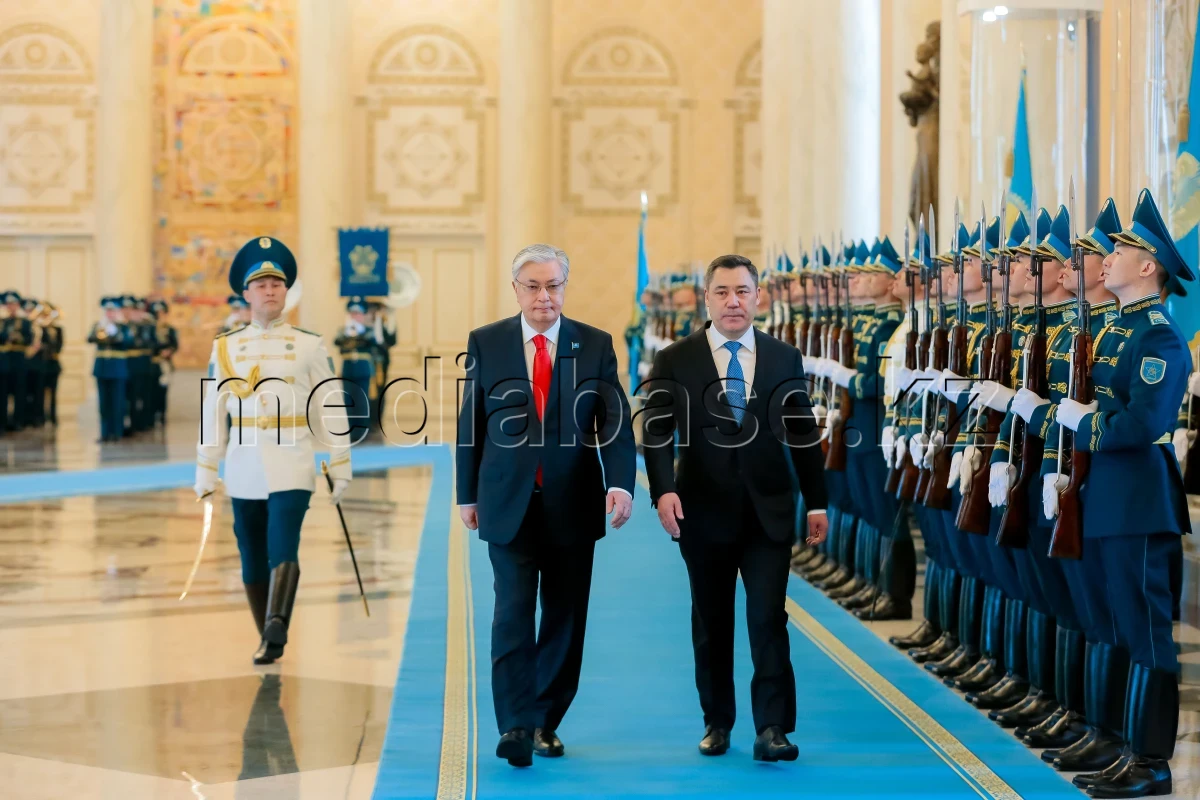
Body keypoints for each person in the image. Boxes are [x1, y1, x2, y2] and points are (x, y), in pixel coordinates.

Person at [1030, 189, 1189, 798]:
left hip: (1137, 497)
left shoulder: (1159, 337)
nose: (1109, 258)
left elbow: (1142, 424)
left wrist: (1080, 422)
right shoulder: (1116, 329)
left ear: (1148, 267)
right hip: (1102, 493)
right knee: (1111, 620)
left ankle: (1151, 761)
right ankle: (1115, 738)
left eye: (1122, 251)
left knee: (1143, 628)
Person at [642, 253, 829, 762]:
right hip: (701, 513)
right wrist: (663, 491)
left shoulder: (783, 358)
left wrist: (817, 501)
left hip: (768, 512)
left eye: (742, 291)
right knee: (712, 621)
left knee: (768, 618)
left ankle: (773, 727)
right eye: (722, 292)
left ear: (758, 298)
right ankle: (717, 721)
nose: (733, 301)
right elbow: (656, 433)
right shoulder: (676, 359)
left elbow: (803, 434)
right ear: (707, 299)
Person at [455, 243, 636, 768]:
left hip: (572, 503)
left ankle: (544, 720)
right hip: (507, 501)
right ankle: (514, 724)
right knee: (511, 613)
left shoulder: (594, 345)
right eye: (532, 286)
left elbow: (614, 422)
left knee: (564, 616)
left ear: (564, 288)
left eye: (553, 286)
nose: (543, 296)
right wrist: (466, 492)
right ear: (516, 290)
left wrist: (620, 484)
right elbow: (472, 421)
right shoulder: (487, 342)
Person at [195, 236, 353, 666]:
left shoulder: (308, 344)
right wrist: (206, 468)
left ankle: (277, 626)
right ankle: (265, 630)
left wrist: (340, 463)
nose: (270, 291)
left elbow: (330, 404)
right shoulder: (226, 347)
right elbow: (213, 410)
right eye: (261, 285)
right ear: (246, 294)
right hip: (244, 461)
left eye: (277, 285)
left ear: (286, 292)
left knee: (284, 542)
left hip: (292, 458)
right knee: (250, 552)